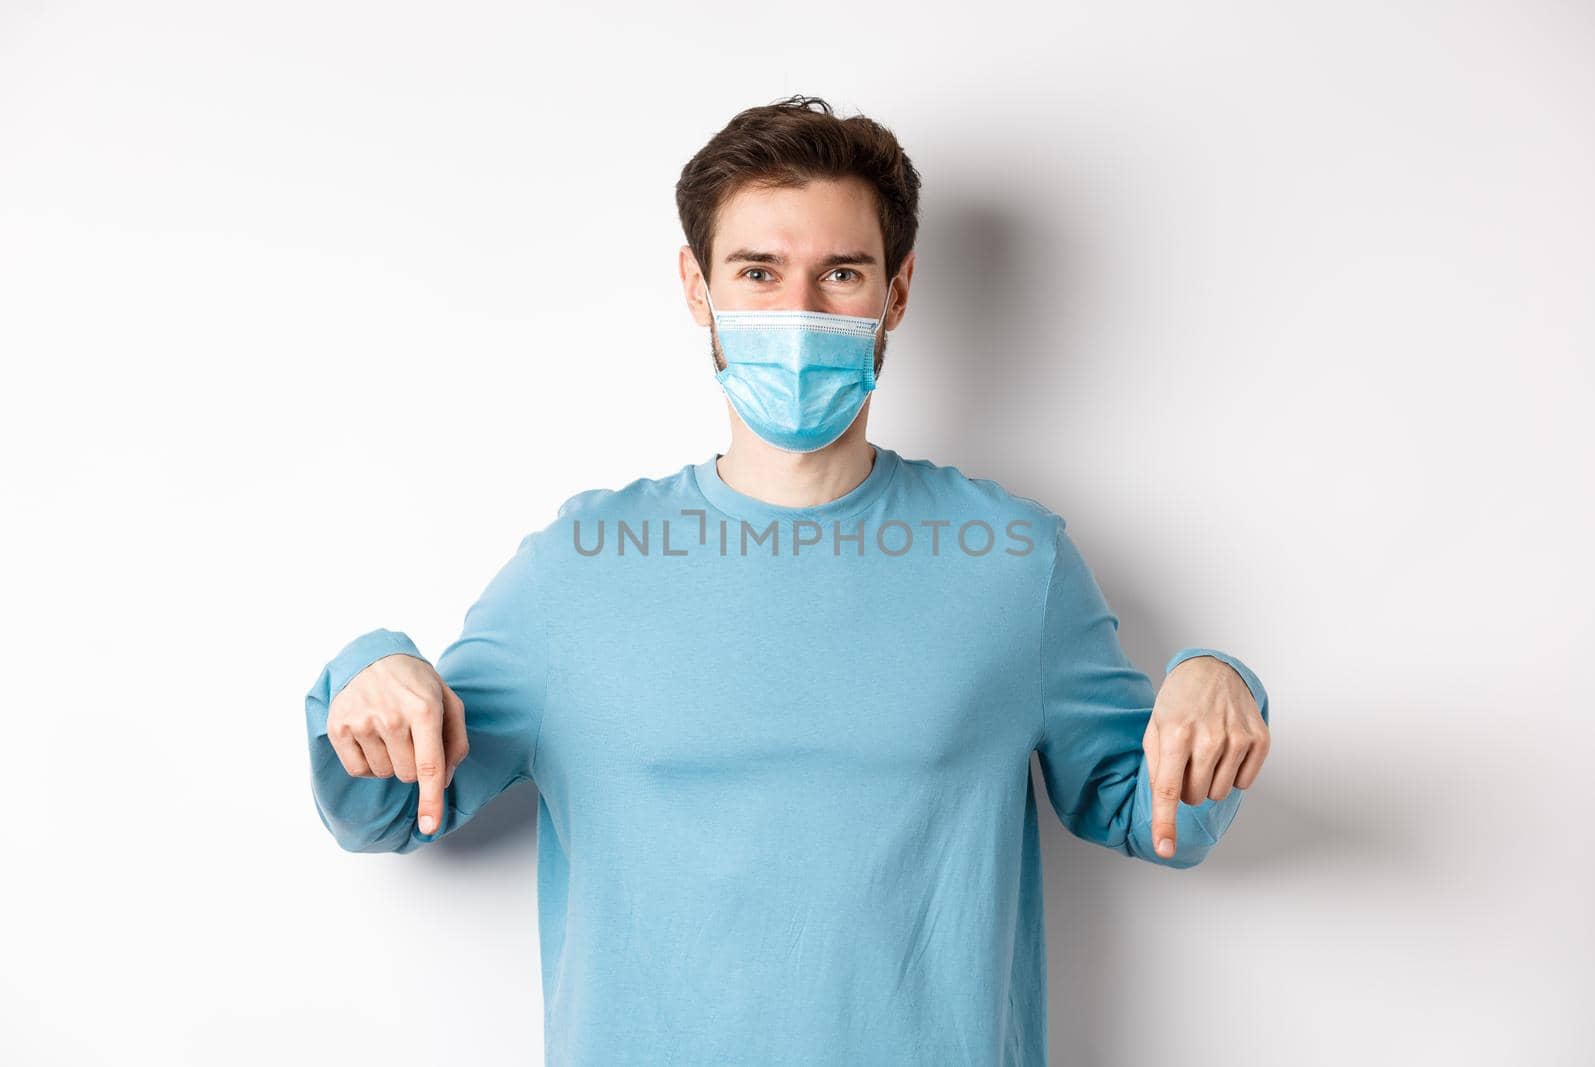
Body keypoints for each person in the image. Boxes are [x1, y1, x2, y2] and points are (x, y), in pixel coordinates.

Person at [303, 94, 1272, 1066]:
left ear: (895, 292)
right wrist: (367, 671)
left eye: (840, 273)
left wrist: (1215, 686)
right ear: (698, 286)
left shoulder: (1012, 560)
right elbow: (388, 807)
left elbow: (1155, 815)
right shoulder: (578, 568)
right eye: (758, 272)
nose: (799, 311)